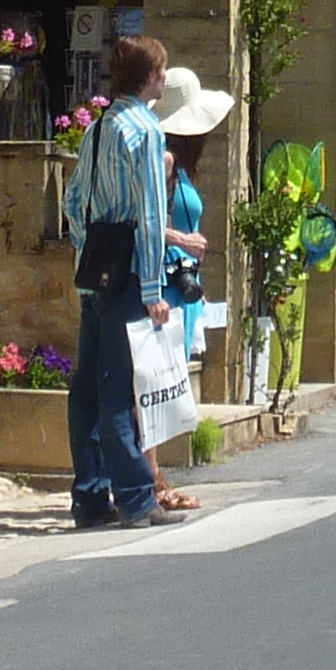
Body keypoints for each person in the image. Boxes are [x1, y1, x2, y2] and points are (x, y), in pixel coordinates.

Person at [61, 32, 190, 529]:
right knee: (118, 387)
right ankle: (136, 497)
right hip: (130, 272)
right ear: (152, 77)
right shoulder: (146, 130)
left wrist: (87, 247)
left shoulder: (97, 128)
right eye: (161, 70)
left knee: (87, 389)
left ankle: (90, 498)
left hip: (95, 267)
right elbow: (151, 216)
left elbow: (74, 201)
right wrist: (154, 288)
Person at [145, 62, 237, 513]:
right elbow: (145, 220)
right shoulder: (163, 162)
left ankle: (155, 479)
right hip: (165, 287)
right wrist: (181, 238)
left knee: (163, 386)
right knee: (154, 387)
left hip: (179, 288)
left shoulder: (175, 165)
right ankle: (153, 481)